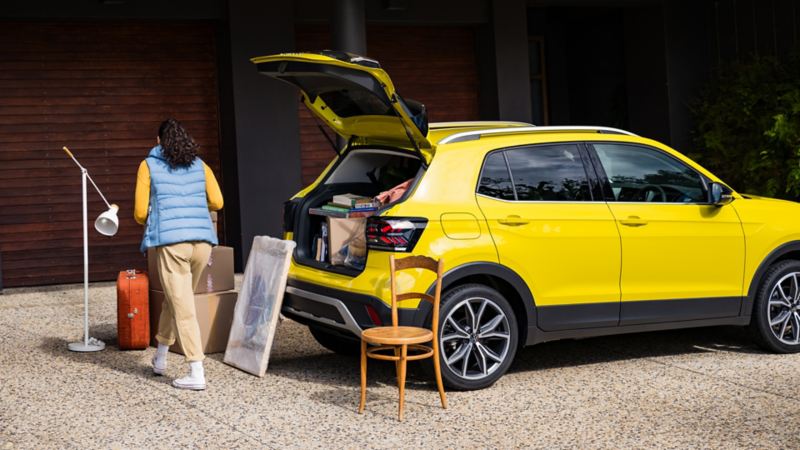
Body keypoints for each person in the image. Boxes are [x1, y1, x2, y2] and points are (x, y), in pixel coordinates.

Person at [134, 118, 223, 390]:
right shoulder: (200, 165)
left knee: (184, 308)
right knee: (174, 302)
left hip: (173, 245)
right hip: (202, 243)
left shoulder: (148, 165)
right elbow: (218, 202)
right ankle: (160, 358)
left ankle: (196, 371)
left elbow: (139, 213)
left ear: (158, 141)